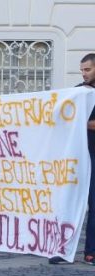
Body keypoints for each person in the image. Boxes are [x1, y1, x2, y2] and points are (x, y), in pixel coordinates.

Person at [50, 53, 95, 265]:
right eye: (82, 70)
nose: (84, 74)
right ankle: (62, 248)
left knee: (94, 205)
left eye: (87, 70)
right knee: (68, 200)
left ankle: (91, 252)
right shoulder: (79, 91)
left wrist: (81, 122)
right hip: (77, 155)